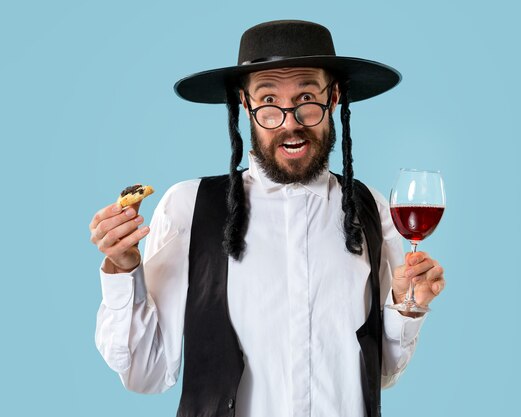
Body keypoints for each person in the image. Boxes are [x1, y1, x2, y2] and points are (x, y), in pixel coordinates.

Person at [89, 20, 445, 417]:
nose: (289, 122)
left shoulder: (369, 208)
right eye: (269, 100)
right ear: (245, 104)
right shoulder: (188, 207)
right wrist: (122, 269)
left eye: (307, 96)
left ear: (334, 97)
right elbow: (145, 372)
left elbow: (379, 375)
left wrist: (406, 306)